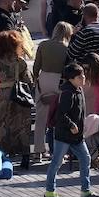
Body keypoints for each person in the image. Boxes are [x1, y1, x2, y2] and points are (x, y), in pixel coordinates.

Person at [43, 64, 99, 197]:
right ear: (71, 79)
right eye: (80, 76)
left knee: (86, 159)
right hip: (64, 135)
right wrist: (71, 125)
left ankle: (85, 191)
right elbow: (61, 115)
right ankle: (49, 192)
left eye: (83, 74)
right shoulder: (68, 92)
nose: (83, 77)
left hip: (77, 136)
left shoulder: (78, 89)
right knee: (57, 162)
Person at [32, 21, 72, 163]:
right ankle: (59, 151)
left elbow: (36, 67)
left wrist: (37, 80)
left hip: (44, 78)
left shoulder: (43, 45)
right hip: (60, 81)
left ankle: (38, 151)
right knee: (60, 118)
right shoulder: (68, 48)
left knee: (40, 117)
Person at [0, 30, 34, 170]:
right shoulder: (20, 61)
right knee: (22, 127)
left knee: (1, 126)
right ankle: (25, 157)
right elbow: (29, 80)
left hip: (2, 96)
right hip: (19, 97)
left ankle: (1, 156)